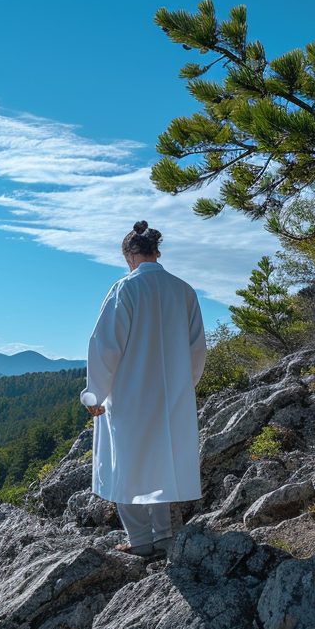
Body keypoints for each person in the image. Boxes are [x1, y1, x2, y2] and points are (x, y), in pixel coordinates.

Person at [82, 220, 207, 556]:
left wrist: (95, 394)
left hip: (130, 395)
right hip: (172, 396)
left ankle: (139, 541)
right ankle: (165, 536)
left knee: (127, 463)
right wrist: (184, 386)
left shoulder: (125, 289)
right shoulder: (184, 291)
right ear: (157, 252)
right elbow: (197, 350)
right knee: (162, 460)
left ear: (129, 256)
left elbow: (105, 346)